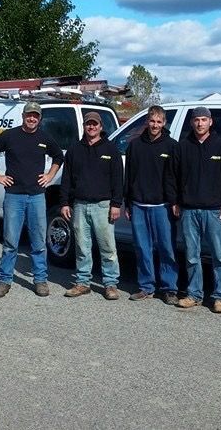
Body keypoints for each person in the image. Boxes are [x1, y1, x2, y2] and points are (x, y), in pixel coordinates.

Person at [0, 101, 64, 298]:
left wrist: (50, 176)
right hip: (14, 196)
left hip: (37, 196)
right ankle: (4, 280)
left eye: (35, 115)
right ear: (23, 116)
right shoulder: (10, 136)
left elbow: (59, 157)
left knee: (38, 242)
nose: (32, 118)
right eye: (29, 115)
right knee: (10, 241)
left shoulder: (45, 138)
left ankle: (40, 280)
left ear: (40, 118)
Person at [173, 107, 221, 313]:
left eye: (204, 120)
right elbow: (173, 177)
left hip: (215, 211)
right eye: (196, 120)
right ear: (192, 123)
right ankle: (194, 294)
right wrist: (176, 201)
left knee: (219, 256)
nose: (200, 123)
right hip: (189, 210)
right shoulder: (183, 147)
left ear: (211, 122)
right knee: (192, 255)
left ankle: (220, 297)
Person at [60, 111, 124, 300]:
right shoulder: (74, 150)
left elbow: (118, 179)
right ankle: (82, 282)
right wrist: (64, 202)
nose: (92, 127)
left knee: (107, 248)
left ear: (101, 127)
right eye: (89, 124)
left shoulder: (111, 149)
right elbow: (66, 179)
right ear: (85, 126)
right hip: (79, 205)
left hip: (103, 206)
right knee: (82, 246)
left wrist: (116, 204)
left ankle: (111, 284)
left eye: (95, 124)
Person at [123, 105, 180, 304]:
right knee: (142, 247)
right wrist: (128, 203)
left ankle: (169, 288)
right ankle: (146, 286)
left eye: (158, 122)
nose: (155, 125)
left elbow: (176, 177)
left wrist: (174, 202)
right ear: (147, 122)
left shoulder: (172, 146)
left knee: (166, 248)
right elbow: (128, 176)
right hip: (138, 205)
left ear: (164, 123)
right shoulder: (134, 145)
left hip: (162, 206)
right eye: (152, 121)